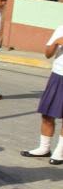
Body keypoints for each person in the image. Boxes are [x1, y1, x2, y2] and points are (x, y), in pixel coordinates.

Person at [20, 26, 63, 165]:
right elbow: (48, 54)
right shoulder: (61, 29)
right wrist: (57, 42)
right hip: (57, 74)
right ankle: (44, 148)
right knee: (47, 114)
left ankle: (60, 152)